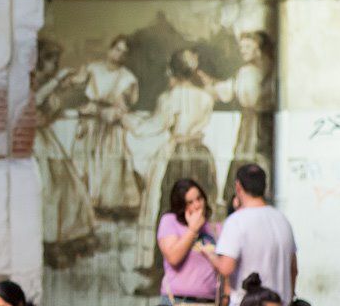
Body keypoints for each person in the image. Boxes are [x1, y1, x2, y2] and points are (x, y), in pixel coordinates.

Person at [134, 48, 218, 270]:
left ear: (171, 70)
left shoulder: (169, 98)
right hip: (200, 153)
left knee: (170, 209)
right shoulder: (206, 97)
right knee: (200, 207)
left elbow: (154, 126)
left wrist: (126, 120)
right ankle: (198, 263)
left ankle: (162, 267)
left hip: (180, 155)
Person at [33, 39, 98, 268]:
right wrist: (58, 83)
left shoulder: (51, 86)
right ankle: (51, 242)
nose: (55, 66)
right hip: (34, 144)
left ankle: (70, 237)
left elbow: (46, 113)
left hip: (46, 141)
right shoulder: (32, 83)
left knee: (69, 189)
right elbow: (34, 110)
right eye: (51, 61)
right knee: (50, 192)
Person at [212, 164, 297, 306]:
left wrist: (207, 253)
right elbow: (293, 269)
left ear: (238, 187)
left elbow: (226, 267)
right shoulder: (282, 220)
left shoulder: (236, 221)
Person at [70, 35, 142, 217]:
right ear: (110, 49)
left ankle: (105, 204)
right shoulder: (93, 69)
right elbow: (78, 94)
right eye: (117, 50)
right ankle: (84, 202)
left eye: (124, 53)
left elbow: (123, 106)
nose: (119, 55)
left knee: (109, 162)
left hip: (110, 126)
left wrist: (111, 112)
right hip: (90, 122)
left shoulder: (127, 78)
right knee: (84, 161)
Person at [214, 31, 276, 204]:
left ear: (258, 48)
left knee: (249, 155)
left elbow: (243, 95)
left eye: (247, 47)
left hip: (255, 122)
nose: (243, 51)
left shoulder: (250, 71)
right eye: (241, 47)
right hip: (254, 120)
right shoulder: (251, 70)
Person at [155, 178, 223, 306]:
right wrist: (192, 230)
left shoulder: (213, 228)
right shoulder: (170, 221)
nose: (197, 205)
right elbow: (173, 257)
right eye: (190, 202)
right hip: (178, 302)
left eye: (199, 199)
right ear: (181, 206)